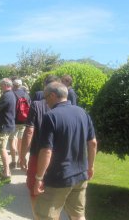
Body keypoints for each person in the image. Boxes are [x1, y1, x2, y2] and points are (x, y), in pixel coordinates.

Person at [34, 82, 97, 220]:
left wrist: (39, 178)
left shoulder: (50, 116)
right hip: (80, 175)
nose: (45, 102)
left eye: (46, 98)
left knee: (45, 216)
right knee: (78, 215)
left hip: (59, 178)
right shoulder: (83, 112)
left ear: (52, 95)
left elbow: (46, 151)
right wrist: (90, 166)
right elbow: (92, 143)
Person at [20, 98, 50, 219]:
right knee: (55, 193)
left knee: (34, 191)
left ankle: (37, 217)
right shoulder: (69, 107)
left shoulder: (37, 105)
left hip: (38, 154)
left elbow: (29, 131)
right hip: (60, 157)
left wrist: (22, 156)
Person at [8, 78, 31, 168]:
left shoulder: (12, 94)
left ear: (13, 85)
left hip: (13, 121)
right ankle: (20, 160)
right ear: (21, 85)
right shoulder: (26, 95)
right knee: (21, 141)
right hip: (24, 121)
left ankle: (13, 161)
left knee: (12, 140)